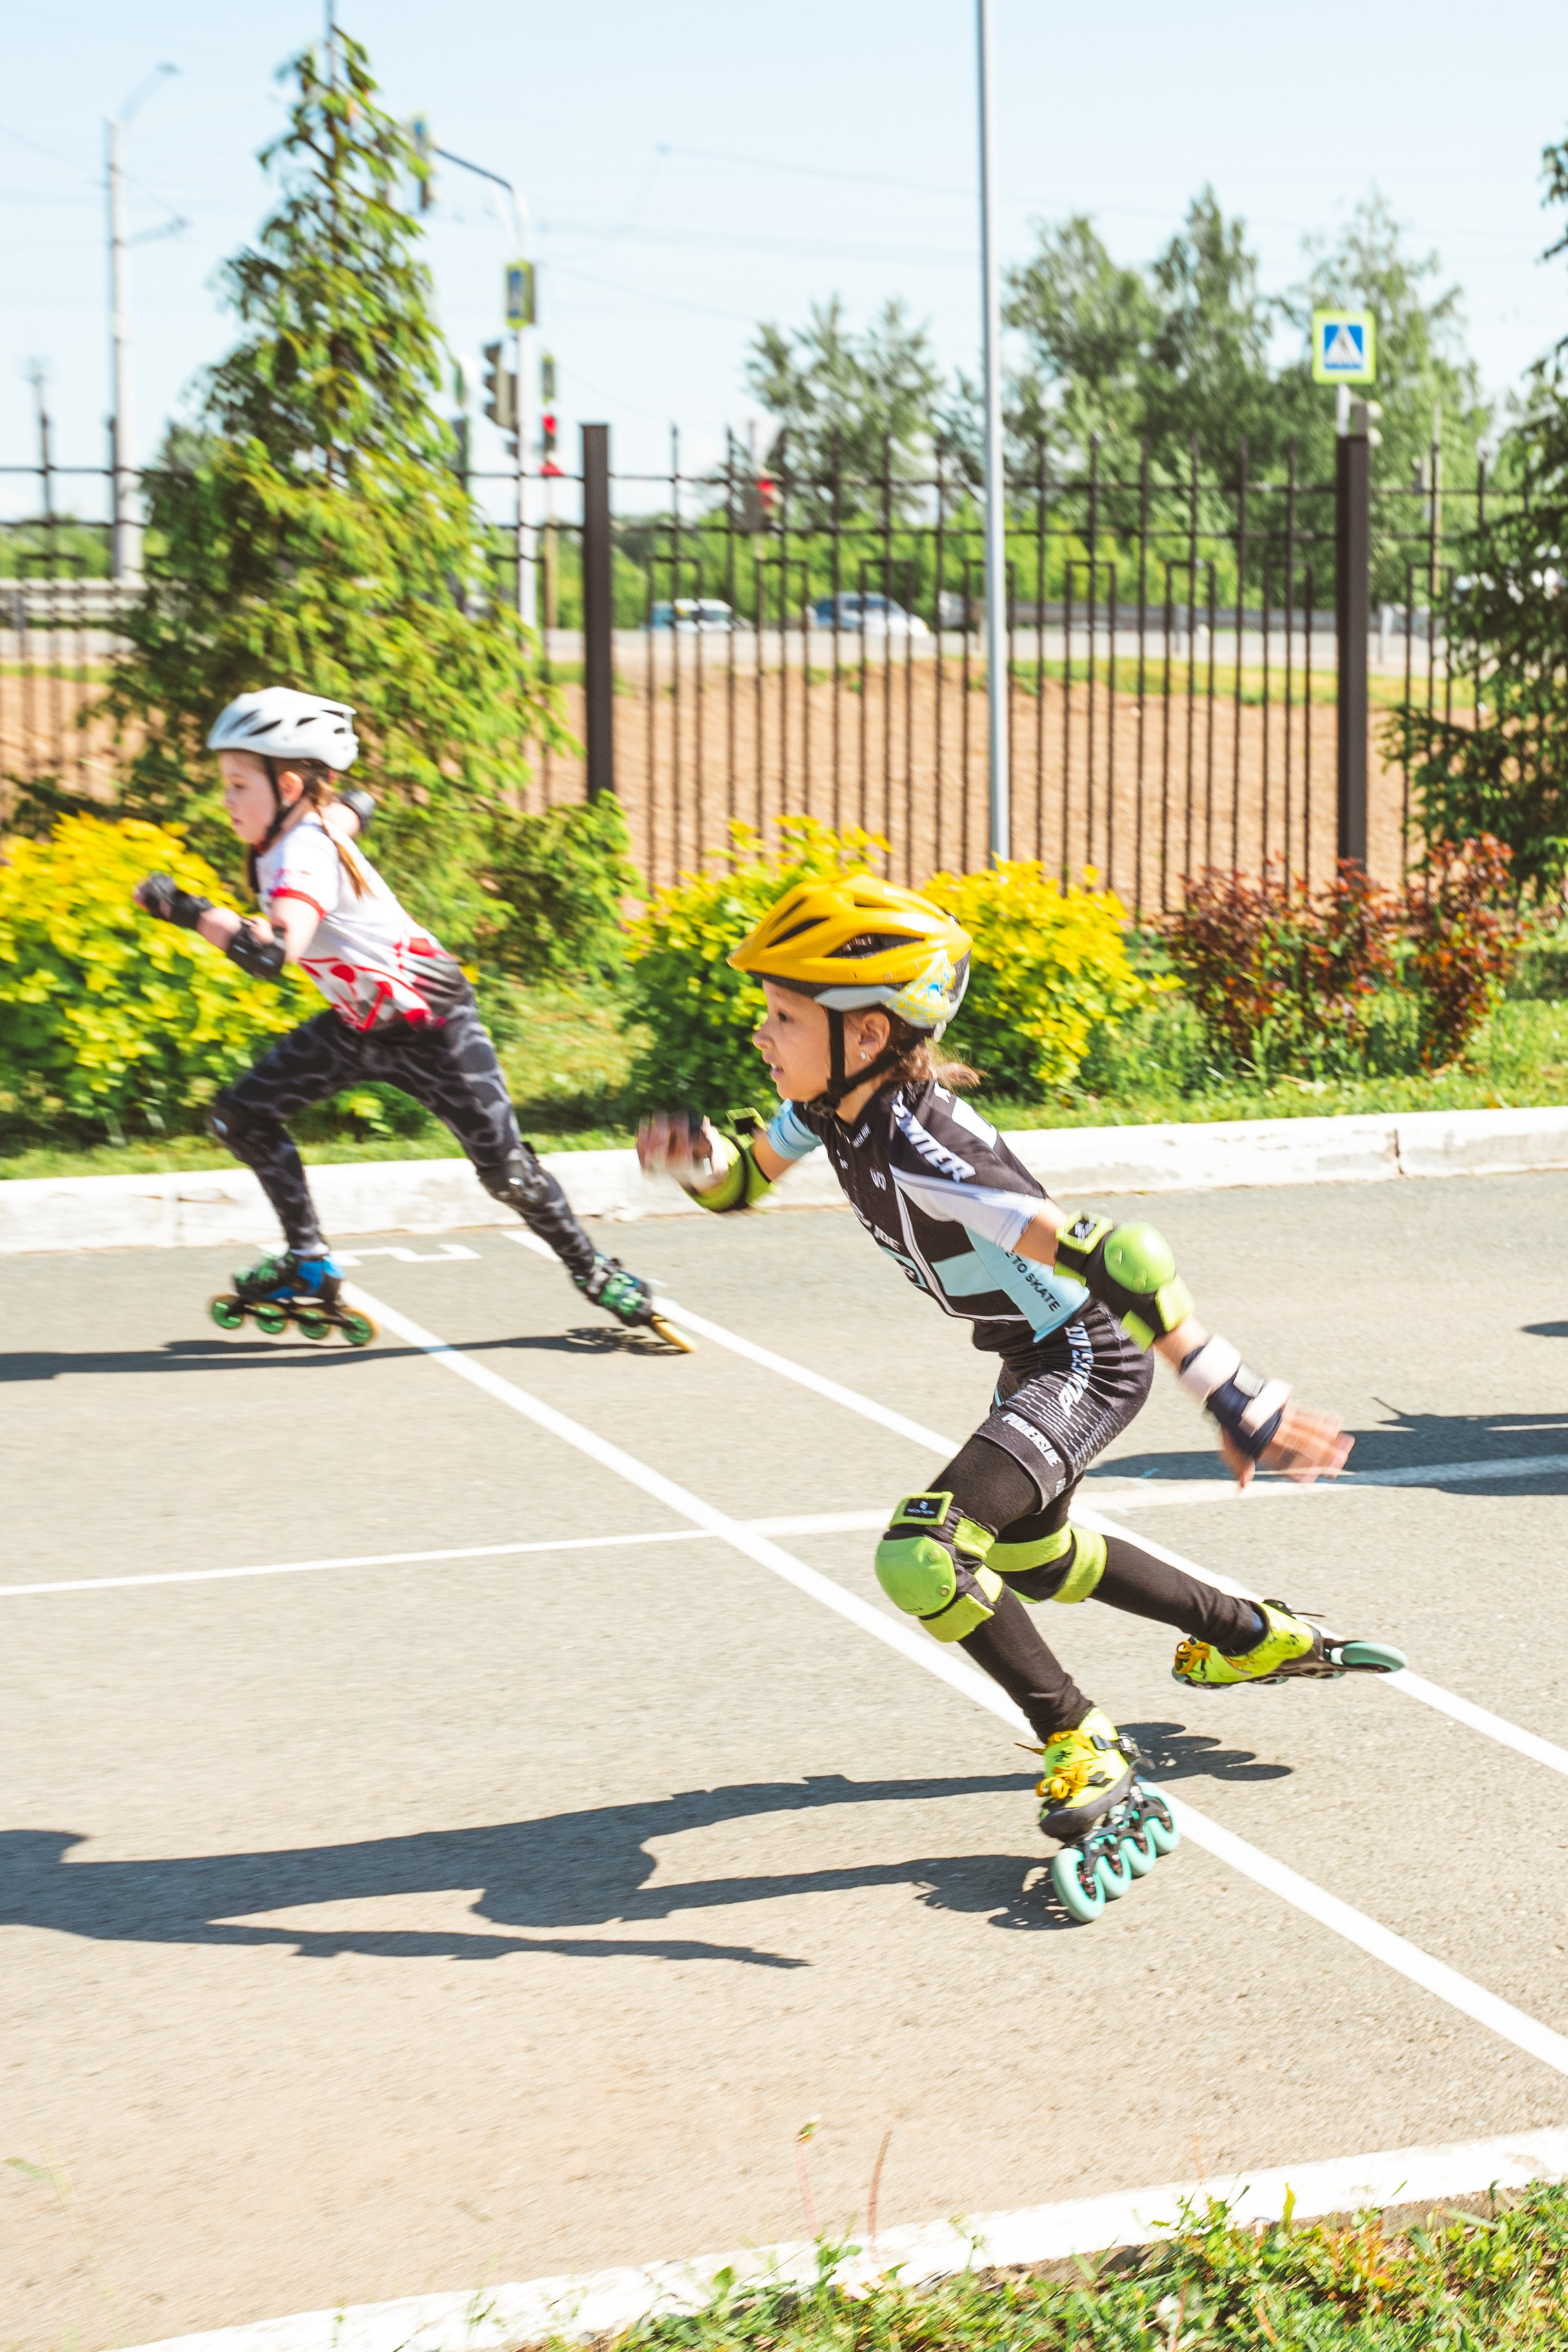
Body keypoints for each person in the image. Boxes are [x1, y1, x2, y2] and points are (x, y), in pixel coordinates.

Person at [637, 873, 1402, 1910]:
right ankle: (1250, 1633)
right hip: (1031, 1353)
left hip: (1084, 1356)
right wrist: (698, 1162)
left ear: (866, 1033)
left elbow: (1117, 1255)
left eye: (782, 1015)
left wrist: (1229, 1391)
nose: (759, 1031)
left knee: (925, 1550)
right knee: (1033, 1558)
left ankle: (1081, 1740)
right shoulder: (827, 1107)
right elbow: (741, 1181)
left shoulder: (923, 1147)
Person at [132, 686, 658, 1339]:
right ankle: (309, 1263)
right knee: (240, 1116)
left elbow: (270, 954)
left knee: (508, 1174)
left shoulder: (302, 854)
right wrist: (354, 808)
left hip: (435, 1028)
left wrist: (183, 908)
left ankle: (595, 1271)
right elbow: (351, 810)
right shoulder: (306, 827)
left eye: (239, 785)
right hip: (359, 1028)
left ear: (288, 785)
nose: (226, 800)